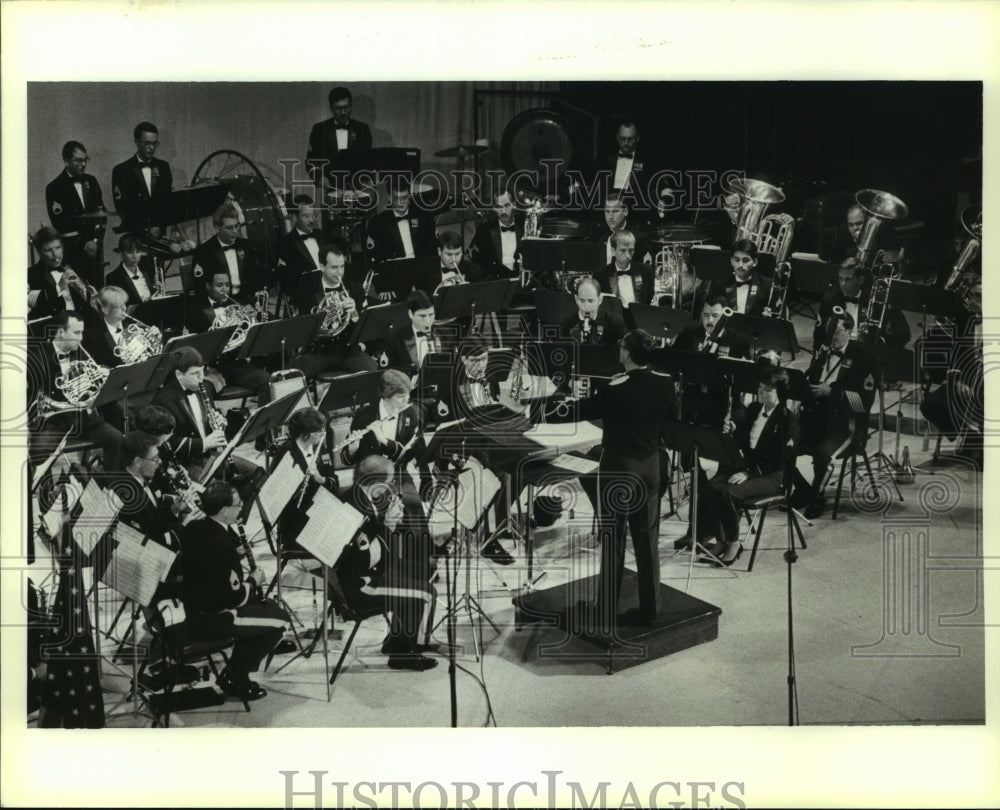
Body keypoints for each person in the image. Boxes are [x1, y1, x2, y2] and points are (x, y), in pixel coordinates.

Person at [552, 329, 675, 625]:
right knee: (647, 541)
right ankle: (650, 610)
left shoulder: (616, 387)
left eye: (621, 346)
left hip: (619, 469)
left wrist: (539, 410)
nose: (618, 350)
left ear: (629, 354)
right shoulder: (666, 384)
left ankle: (605, 607)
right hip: (650, 466)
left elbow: (581, 410)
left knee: (613, 538)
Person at [180, 482, 290, 700]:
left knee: (264, 612)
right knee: (281, 621)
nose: (241, 508)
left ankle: (234, 670)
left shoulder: (195, 527)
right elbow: (236, 598)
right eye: (238, 505)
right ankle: (236, 676)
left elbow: (212, 567)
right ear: (224, 511)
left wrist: (234, 556)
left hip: (192, 607)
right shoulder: (222, 544)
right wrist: (253, 580)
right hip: (214, 617)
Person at [335, 455, 438, 671]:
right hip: (357, 586)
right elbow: (363, 560)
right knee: (426, 591)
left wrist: (389, 521)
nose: (391, 486)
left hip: (359, 574)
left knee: (421, 572)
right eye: (389, 482)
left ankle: (397, 641)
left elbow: (371, 542)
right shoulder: (354, 510)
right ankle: (406, 654)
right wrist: (388, 527)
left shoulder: (358, 495)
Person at [694, 368, 799, 565]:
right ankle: (721, 540)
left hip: (771, 476)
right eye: (760, 388)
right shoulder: (753, 410)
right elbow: (744, 443)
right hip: (749, 469)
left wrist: (748, 473)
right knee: (710, 488)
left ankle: (734, 543)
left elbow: (781, 459)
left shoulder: (787, 419)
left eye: (768, 390)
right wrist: (733, 431)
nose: (761, 393)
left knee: (728, 492)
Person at [795, 309, 878, 518]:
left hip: (847, 425)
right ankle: (804, 489)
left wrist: (832, 393)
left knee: (823, 453)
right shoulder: (822, 351)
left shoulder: (865, 358)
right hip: (817, 418)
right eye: (828, 330)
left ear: (850, 331)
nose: (830, 336)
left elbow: (863, 403)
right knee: (784, 444)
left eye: (836, 331)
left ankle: (817, 495)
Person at [27, 310, 122, 470]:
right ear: (60, 332)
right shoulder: (37, 357)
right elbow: (30, 397)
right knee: (36, 455)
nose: (81, 338)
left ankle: (107, 485)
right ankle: (41, 488)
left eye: (82, 332)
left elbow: (92, 389)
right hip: (53, 420)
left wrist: (103, 377)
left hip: (82, 417)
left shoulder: (82, 352)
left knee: (117, 439)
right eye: (76, 332)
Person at [290, 242, 377, 379]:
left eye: (342, 266)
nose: (340, 272)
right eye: (334, 267)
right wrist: (324, 316)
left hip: (347, 351)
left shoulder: (355, 289)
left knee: (373, 371)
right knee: (293, 377)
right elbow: (302, 329)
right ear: (322, 267)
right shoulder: (306, 291)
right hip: (319, 351)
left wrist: (354, 313)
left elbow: (363, 330)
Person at [184, 270, 271, 402]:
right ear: (208, 286)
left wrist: (255, 318)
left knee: (267, 381)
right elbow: (194, 344)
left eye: (227, 285)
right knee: (201, 392)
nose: (225, 289)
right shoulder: (195, 311)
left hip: (236, 364)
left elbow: (253, 337)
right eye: (219, 285)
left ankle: (264, 422)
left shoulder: (239, 304)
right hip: (211, 368)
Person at [151, 347, 229, 475]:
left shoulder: (205, 388)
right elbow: (167, 443)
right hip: (185, 463)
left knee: (254, 471)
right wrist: (203, 443)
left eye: (202, 371)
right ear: (179, 375)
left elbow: (211, 426)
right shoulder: (163, 401)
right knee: (217, 491)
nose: (201, 378)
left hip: (210, 456)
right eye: (194, 374)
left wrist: (220, 423)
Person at [45, 140, 106, 286]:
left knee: (98, 294)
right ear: (66, 161)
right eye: (78, 160)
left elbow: (102, 214)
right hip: (73, 253)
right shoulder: (55, 187)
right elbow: (61, 224)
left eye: (85, 160)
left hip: (95, 252)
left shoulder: (92, 181)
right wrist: (85, 243)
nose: (83, 164)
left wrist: (95, 241)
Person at [813, 258, 910, 348]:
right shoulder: (829, 299)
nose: (842, 284)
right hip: (836, 352)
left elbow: (904, 335)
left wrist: (880, 342)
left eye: (848, 279)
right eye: (840, 278)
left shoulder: (878, 302)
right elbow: (818, 334)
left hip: (867, 353)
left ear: (860, 280)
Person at [191, 203, 266, 305]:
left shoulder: (247, 246)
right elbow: (200, 289)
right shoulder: (203, 252)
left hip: (247, 302)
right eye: (229, 228)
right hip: (220, 305)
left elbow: (257, 279)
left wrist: (254, 302)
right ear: (217, 228)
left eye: (237, 226)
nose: (235, 231)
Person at [111, 121, 174, 233]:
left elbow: (168, 201)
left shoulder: (164, 167)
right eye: (147, 143)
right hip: (135, 233)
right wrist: (141, 228)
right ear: (136, 142)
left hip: (159, 232)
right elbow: (121, 206)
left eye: (154, 143)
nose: (151, 147)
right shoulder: (121, 170)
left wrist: (160, 226)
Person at [306, 86, 373, 188]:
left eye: (346, 107)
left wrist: (367, 179)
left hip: (359, 191)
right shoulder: (319, 130)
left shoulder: (362, 129)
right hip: (331, 191)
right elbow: (311, 161)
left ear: (351, 106)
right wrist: (319, 177)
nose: (343, 113)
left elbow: (368, 161)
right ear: (331, 108)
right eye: (338, 108)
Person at [28, 226, 96, 321]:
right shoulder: (31, 274)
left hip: (83, 324)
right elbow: (32, 302)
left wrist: (87, 292)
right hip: (56, 328)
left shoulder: (73, 267)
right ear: (39, 253)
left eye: (58, 248)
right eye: (48, 250)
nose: (55, 254)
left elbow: (89, 302)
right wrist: (59, 287)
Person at [366, 181, 438, 263]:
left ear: (409, 196)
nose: (401, 202)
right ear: (389, 197)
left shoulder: (424, 218)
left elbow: (433, 251)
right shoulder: (377, 223)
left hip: (422, 267)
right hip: (393, 271)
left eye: (404, 197)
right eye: (397, 198)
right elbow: (374, 257)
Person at [710, 238, 771, 317]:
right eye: (737, 260)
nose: (740, 265)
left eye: (745, 260)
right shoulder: (720, 284)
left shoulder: (767, 285)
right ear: (731, 261)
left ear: (755, 262)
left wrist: (770, 318)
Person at [275, 194, 322, 297]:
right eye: (306, 216)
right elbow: (288, 285)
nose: (311, 220)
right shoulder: (285, 243)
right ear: (295, 217)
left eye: (313, 215)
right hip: (306, 297)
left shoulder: (322, 235)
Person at [469, 190, 522, 279]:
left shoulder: (525, 226)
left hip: (522, 282)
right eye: (498, 207)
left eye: (507, 205)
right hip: (496, 283)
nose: (503, 211)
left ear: (514, 204)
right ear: (493, 208)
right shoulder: (484, 230)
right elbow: (478, 264)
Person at [593, 230, 655, 306]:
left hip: (640, 316)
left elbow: (649, 301)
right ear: (613, 251)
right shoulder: (600, 275)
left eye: (631, 250)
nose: (628, 255)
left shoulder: (646, 271)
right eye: (623, 250)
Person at [560, 276, 625, 348]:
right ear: (576, 299)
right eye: (582, 301)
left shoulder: (615, 323)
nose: (586, 306)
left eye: (591, 301)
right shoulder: (566, 325)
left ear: (600, 300)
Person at [591, 193, 651, 267]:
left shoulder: (639, 238)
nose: (610, 217)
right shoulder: (597, 236)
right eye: (607, 211)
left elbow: (642, 272)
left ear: (625, 211)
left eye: (615, 211)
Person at [417, 231, 484, 296]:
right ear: (439, 251)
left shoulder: (474, 270)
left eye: (457, 254)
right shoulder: (425, 272)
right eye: (449, 254)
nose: (454, 259)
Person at [106, 234, 157, 306]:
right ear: (121, 253)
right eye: (130, 252)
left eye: (138, 251)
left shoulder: (147, 270)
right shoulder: (113, 277)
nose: (135, 256)